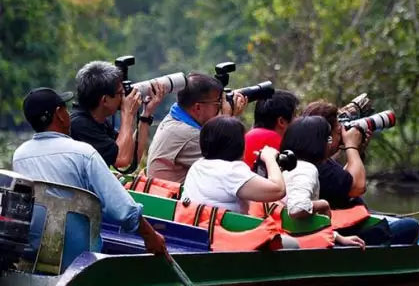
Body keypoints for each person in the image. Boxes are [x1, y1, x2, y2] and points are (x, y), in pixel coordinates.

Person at [12, 88, 167, 269]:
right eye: (65, 109)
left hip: (35, 256)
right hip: (79, 261)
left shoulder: (19, 156)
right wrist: (150, 236)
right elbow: (123, 209)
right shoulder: (83, 153)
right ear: (60, 115)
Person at [301, 100, 419, 246]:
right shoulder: (317, 164)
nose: (343, 134)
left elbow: (341, 182)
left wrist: (359, 151)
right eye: (339, 130)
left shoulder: (311, 157)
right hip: (344, 234)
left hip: (337, 228)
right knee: (410, 227)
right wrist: (352, 147)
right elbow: (356, 187)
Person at [180, 116, 299, 249]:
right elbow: (278, 190)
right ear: (239, 146)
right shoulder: (232, 171)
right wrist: (270, 158)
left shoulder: (199, 165)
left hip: (195, 232)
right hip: (221, 238)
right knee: (292, 244)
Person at [280, 116, 366, 250]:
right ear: (317, 144)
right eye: (328, 139)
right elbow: (298, 208)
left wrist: (337, 237)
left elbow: (308, 219)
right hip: (299, 239)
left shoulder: (287, 166)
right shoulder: (306, 169)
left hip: (293, 231)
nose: (330, 144)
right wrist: (324, 205)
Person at [147, 73, 246, 184]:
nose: (221, 106)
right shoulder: (190, 135)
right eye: (218, 102)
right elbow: (231, 170)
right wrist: (227, 120)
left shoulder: (173, 118)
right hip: (171, 198)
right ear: (198, 107)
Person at [69, 61, 166, 170]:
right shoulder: (80, 125)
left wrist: (146, 114)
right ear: (105, 100)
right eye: (120, 93)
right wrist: (128, 114)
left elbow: (131, 158)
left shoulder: (98, 120)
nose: (124, 97)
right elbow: (121, 159)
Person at [243, 89, 299, 168]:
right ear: (281, 122)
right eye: (295, 115)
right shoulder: (277, 142)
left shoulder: (246, 137)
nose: (298, 119)